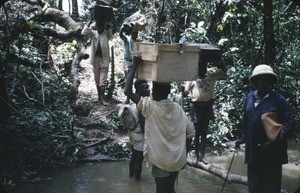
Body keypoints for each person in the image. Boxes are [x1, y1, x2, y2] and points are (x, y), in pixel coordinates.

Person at [124, 54, 195, 193]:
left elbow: (127, 91)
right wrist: (184, 154)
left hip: (161, 161)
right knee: (170, 189)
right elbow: (190, 132)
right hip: (177, 160)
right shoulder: (178, 108)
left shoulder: (151, 107)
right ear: (168, 92)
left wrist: (134, 65)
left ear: (155, 92)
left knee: (161, 190)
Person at [235, 64, 295, 193]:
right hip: (253, 153)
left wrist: (273, 143)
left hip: (272, 153)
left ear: (270, 81)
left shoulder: (279, 100)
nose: (261, 81)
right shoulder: (249, 98)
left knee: (271, 187)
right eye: (258, 78)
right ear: (254, 81)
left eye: (265, 78)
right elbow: (247, 121)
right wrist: (243, 138)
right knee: (254, 187)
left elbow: (290, 124)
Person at [181, 60, 226, 164]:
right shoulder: (192, 79)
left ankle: (202, 156)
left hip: (207, 106)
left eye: (204, 66)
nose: (202, 69)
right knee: (197, 132)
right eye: (200, 66)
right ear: (197, 67)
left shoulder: (212, 76)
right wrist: (182, 90)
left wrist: (219, 58)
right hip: (197, 107)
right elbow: (185, 94)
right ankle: (196, 155)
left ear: (206, 67)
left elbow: (224, 70)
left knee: (204, 132)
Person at [117, 79, 150, 180]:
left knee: (134, 156)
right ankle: (137, 182)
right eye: (145, 88)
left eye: (148, 87)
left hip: (132, 133)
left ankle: (131, 177)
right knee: (138, 160)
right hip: (139, 135)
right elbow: (143, 123)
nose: (149, 90)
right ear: (139, 90)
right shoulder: (141, 104)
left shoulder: (132, 101)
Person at [81, 5, 113, 105]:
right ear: (97, 25)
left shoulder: (107, 33)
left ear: (104, 25)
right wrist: (91, 19)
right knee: (97, 79)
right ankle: (99, 97)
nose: (101, 26)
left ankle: (103, 99)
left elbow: (114, 32)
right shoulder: (93, 34)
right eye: (99, 24)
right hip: (95, 59)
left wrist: (112, 19)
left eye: (102, 24)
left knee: (102, 80)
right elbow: (84, 31)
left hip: (105, 59)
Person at [119, 11, 147, 104]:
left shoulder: (138, 42)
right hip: (127, 62)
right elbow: (121, 35)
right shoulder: (127, 39)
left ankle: (135, 97)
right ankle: (127, 99)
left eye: (136, 33)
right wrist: (122, 29)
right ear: (131, 33)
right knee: (128, 79)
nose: (135, 35)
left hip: (135, 62)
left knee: (137, 81)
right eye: (134, 33)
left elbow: (138, 53)